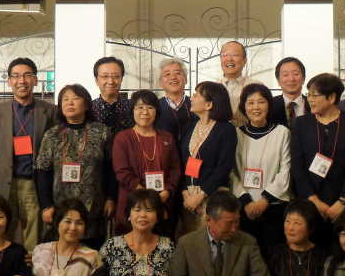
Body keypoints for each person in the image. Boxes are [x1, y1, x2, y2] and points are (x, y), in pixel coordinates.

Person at [0, 57, 57, 252]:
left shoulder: (49, 111)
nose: (21, 80)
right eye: (16, 76)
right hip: (2, 184)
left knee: (33, 235)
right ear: (9, 81)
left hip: (33, 184)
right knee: (0, 233)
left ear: (35, 80)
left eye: (27, 75)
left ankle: (30, 269)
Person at [290, 73, 345, 248]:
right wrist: (314, 200)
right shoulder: (301, 123)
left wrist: (343, 200)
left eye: (314, 95)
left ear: (331, 97)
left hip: (344, 203)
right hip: (310, 202)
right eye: (309, 94)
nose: (310, 99)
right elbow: (297, 166)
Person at [36, 84, 116, 249]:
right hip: (60, 207)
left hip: (94, 207)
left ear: (86, 104)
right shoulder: (52, 134)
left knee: (91, 254)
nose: (69, 103)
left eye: (75, 98)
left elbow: (110, 168)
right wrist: (46, 205)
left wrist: (111, 198)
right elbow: (42, 171)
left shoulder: (102, 132)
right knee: (62, 252)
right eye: (65, 99)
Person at [230, 83, 292, 253]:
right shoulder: (236, 134)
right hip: (243, 207)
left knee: (272, 254)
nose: (256, 107)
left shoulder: (282, 133)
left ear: (269, 105)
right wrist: (246, 201)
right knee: (244, 256)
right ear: (243, 107)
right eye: (250, 103)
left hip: (274, 206)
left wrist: (265, 200)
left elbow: (285, 170)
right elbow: (231, 172)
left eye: (261, 102)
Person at [112, 90, 180, 236]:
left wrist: (167, 192)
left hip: (162, 202)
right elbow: (122, 172)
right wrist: (147, 198)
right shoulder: (122, 138)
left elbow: (175, 169)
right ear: (132, 111)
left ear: (156, 111)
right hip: (132, 204)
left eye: (150, 107)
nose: (145, 112)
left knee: (161, 244)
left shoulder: (167, 137)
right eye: (139, 107)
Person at [178, 81, 237, 236]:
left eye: (197, 95)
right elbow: (182, 163)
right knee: (189, 242)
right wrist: (185, 192)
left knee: (211, 242)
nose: (191, 97)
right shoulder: (189, 126)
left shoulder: (226, 129)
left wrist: (201, 195)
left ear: (209, 104)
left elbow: (224, 168)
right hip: (188, 198)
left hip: (213, 198)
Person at [155, 58, 195, 143]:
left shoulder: (196, 105)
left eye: (178, 73)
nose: (173, 77)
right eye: (167, 74)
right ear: (160, 82)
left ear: (186, 79)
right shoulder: (155, 107)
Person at [219, 40, 258, 127]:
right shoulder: (211, 88)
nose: (229, 59)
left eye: (235, 55)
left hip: (249, 133)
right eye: (225, 55)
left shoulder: (256, 86)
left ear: (244, 60)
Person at [91, 56, 134, 134]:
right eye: (105, 76)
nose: (111, 81)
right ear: (96, 80)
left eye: (116, 76)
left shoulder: (133, 107)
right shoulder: (88, 109)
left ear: (121, 79)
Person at [271, 57, 311, 128]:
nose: (291, 79)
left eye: (296, 74)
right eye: (285, 75)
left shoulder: (313, 104)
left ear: (303, 79)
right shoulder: (269, 105)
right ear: (278, 80)